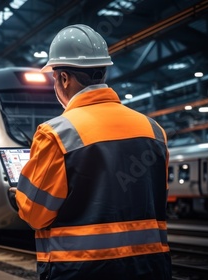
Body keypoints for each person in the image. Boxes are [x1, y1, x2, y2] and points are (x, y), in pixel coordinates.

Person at [11, 24, 172, 279]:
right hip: (150, 268)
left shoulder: (56, 133)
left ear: (64, 78)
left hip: (79, 270)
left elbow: (35, 213)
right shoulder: (154, 131)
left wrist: (18, 197)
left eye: (55, 77)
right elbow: (155, 201)